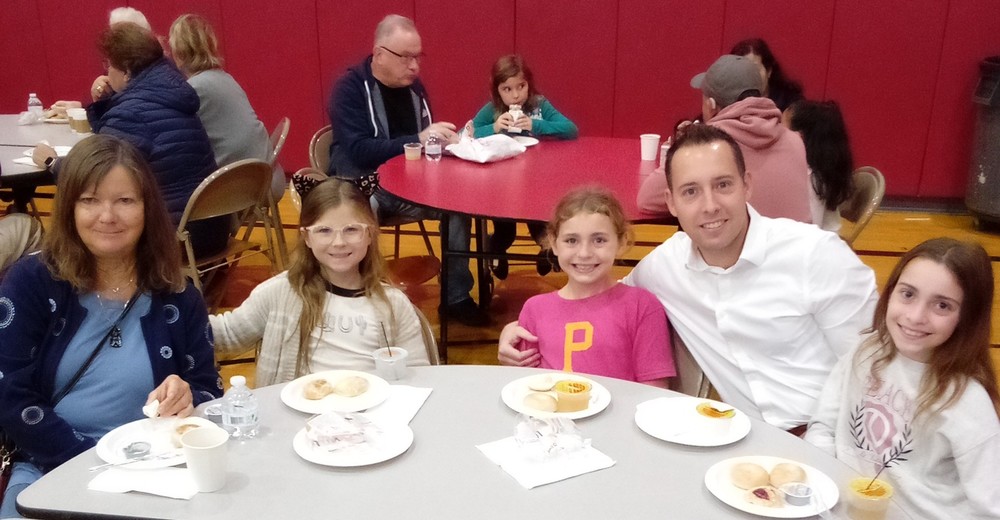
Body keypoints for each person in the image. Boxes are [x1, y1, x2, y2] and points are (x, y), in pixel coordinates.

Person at [502, 124, 877, 432]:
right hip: (742, 435)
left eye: (723, 185)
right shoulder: (664, 267)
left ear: (747, 185)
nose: (710, 205)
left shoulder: (817, 255)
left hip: (835, 434)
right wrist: (519, 327)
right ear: (671, 202)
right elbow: (595, 296)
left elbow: (877, 368)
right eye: (691, 191)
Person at [0, 135, 222, 517]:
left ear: (146, 208)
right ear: (69, 207)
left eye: (125, 200)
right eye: (90, 200)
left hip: (158, 470)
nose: (107, 216)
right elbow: (10, 398)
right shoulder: (31, 283)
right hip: (50, 465)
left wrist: (188, 398)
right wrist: (94, 460)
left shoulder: (177, 293)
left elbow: (207, 389)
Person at [805, 238, 1000, 518]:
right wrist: (824, 488)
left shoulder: (968, 402)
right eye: (908, 294)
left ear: (967, 317)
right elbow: (823, 425)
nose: (916, 316)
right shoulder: (867, 350)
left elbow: (990, 508)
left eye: (942, 306)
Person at [326, 14, 486, 326]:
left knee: (458, 206)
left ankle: (456, 298)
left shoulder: (413, 88)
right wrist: (418, 140)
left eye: (417, 57)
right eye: (406, 57)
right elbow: (359, 150)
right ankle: (366, 299)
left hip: (411, 185)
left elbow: (422, 145)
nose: (415, 66)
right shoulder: (349, 90)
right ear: (380, 54)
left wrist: (446, 142)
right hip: (364, 183)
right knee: (358, 212)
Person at [210, 178, 430, 386]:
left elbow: (418, 376)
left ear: (370, 234)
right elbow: (225, 335)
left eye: (351, 230)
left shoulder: (394, 305)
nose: (339, 242)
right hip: (294, 422)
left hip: (371, 419)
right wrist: (180, 309)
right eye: (324, 231)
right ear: (307, 237)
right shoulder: (280, 292)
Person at [33, 22, 225, 259]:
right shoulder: (173, 94)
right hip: (214, 227)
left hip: (175, 237)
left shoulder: (130, 114)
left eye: (108, 65)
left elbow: (91, 176)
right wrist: (111, 98)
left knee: (86, 212)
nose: (105, 72)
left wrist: (52, 162)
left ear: (125, 71)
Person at [514, 187, 673, 386]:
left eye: (599, 240)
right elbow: (524, 385)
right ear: (554, 243)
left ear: (622, 241)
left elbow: (654, 392)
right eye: (571, 240)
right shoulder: (534, 309)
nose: (584, 253)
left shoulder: (642, 306)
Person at [637, 55, 812, 224]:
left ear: (711, 105)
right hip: (801, 251)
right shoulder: (795, 140)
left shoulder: (706, 146)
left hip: (744, 253)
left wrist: (680, 146)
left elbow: (647, 199)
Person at [471, 54, 579, 279]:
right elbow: (468, 134)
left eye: (521, 86)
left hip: (537, 181)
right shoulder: (493, 109)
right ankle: (495, 252)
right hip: (503, 184)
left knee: (540, 227)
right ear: (497, 90)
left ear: (529, 84)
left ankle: (546, 253)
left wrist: (536, 125)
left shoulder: (539, 105)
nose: (516, 95)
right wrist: (493, 127)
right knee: (504, 232)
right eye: (507, 89)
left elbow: (570, 129)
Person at [168, 13, 284, 202]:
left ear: (178, 53)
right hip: (270, 177)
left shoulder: (194, 89)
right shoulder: (224, 78)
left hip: (245, 189)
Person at [784, 100, 854, 232]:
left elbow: (809, 230)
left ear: (799, 137)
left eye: (781, 128)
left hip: (818, 246)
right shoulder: (821, 170)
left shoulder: (811, 179)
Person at [729, 38, 804, 112]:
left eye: (755, 70)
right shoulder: (727, 102)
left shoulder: (790, 103)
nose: (750, 77)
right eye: (743, 71)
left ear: (768, 71)